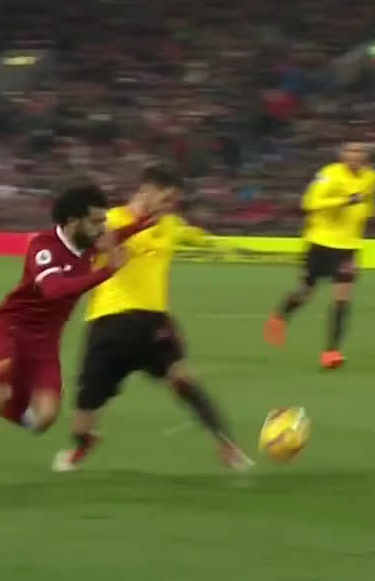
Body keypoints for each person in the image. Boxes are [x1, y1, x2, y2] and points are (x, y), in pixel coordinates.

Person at [0, 183, 156, 489]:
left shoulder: (87, 243)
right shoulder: (44, 247)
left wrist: (143, 223)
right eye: (96, 221)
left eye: (103, 221)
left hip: (45, 341)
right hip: (12, 329)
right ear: (73, 221)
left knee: (43, 419)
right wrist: (108, 272)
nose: (102, 228)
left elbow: (114, 237)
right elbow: (53, 290)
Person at [52, 164, 253, 474]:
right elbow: (89, 243)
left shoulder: (169, 225)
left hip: (153, 322)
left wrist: (223, 244)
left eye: (174, 201)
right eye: (166, 198)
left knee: (183, 379)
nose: (170, 206)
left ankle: (227, 445)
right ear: (145, 191)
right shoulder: (111, 219)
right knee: (81, 421)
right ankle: (85, 441)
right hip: (108, 324)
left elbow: (195, 236)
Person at [265, 143, 375, 369]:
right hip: (320, 242)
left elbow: (367, 199)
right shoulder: (329, 174)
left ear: (366, 158)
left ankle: (331, 351)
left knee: (342, 298)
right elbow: (310, 203)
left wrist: (369, 214)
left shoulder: (372, 177)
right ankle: (279, 317)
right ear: (342, 156)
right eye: (351, 154)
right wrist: (345, 201)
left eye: (359, 154)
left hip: (348, 246)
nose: (355, 158)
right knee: (305, 292)